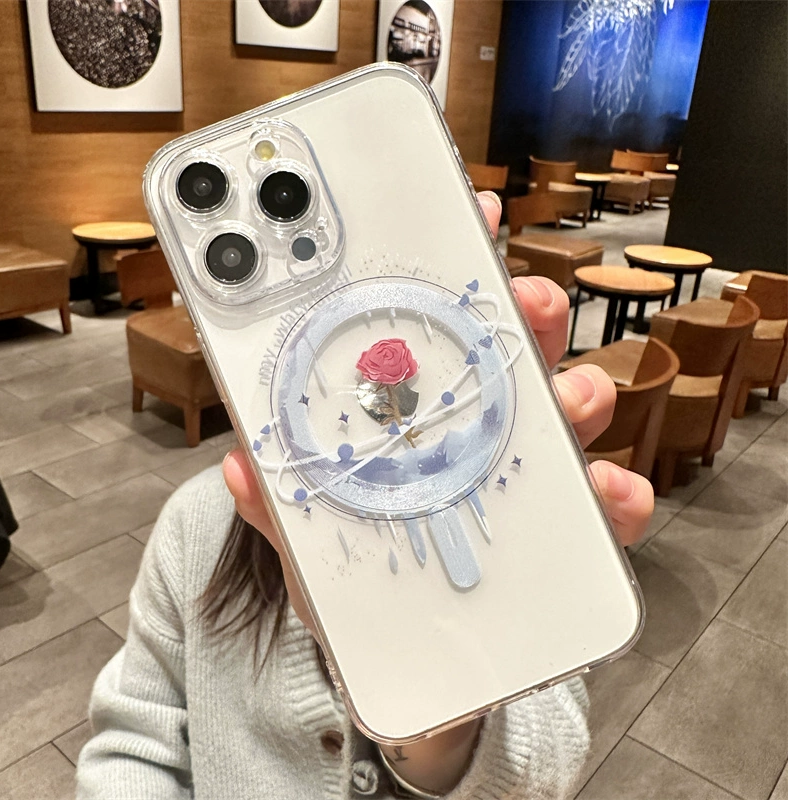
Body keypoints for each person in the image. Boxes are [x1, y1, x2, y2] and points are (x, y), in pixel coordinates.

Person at [76, 193, 653, 800]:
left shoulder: (501, 500)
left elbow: (552, 764)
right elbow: (132, 747)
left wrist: (440, 710)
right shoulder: (196, 527)